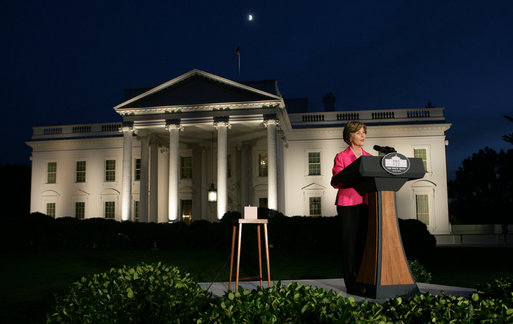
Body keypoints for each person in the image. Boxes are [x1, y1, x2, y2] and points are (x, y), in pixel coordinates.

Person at [330, 121, 372, 293]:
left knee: (364, 244)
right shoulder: (341, 157)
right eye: (358, 132)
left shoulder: (370, 158)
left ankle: (363, 280)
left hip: (366, 204)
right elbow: (336, 181)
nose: (363, 135)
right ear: (350, 137)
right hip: (347, 204)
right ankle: (351, 283)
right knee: (349, 245)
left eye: (364, 132)